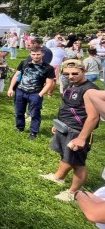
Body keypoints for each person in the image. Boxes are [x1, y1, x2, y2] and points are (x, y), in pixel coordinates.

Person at [39, 60, 99, 201]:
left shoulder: (90, 90)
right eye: (66, 74)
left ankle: (73, 192)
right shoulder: (72, 85)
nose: (70, 76)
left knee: (78, 163)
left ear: (83, 71)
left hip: (78, 131)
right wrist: (59, 124)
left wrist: (82, 138)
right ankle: (59, 177)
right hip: (65, 127)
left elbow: (93, 117)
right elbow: (67, 107)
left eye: (74, 73)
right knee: (65, 155)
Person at [7, 47, 55, 140]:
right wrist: (11, 88)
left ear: (43, 54)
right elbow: (16, 75)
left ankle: (33, 132)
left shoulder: (48, 68)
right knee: (19, 112)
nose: (35, 56)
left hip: (35, 93)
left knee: (35, 114)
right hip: (20, 91)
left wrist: (40, 95)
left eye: (38, 54)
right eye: (33, 54)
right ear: (30, 54)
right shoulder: (24, 63)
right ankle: (20, 128)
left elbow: (49, 83)